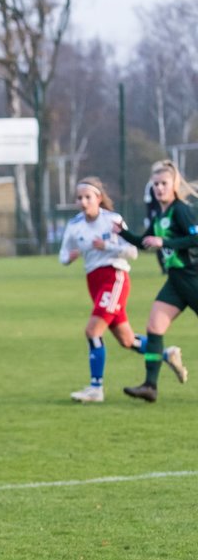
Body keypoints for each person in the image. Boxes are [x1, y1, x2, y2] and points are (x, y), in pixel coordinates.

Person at [57, 176, 145, 403]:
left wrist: (106, 245)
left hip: (114, 278)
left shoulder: (112, 220)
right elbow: (63, 256)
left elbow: (133, 252)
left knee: (92, 331)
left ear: (98, 198)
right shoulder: (75, 225)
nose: (83, 202)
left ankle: (96, 388)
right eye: (79, 198)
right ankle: (166, 354)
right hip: (94, 282)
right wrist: (70, 257)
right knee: (127, 341)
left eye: (88, 197)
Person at [114, 159, 194, 401]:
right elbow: (143, 241)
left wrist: (165, 242)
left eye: (163, 183)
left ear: (174, 185)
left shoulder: (181, 210)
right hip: (177, 282)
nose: (159, 188)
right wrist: (122, 232)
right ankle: (150, 386)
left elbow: (195, 238)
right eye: (155, 184)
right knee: (154, 327)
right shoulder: (160, 216)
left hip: (194, 277)